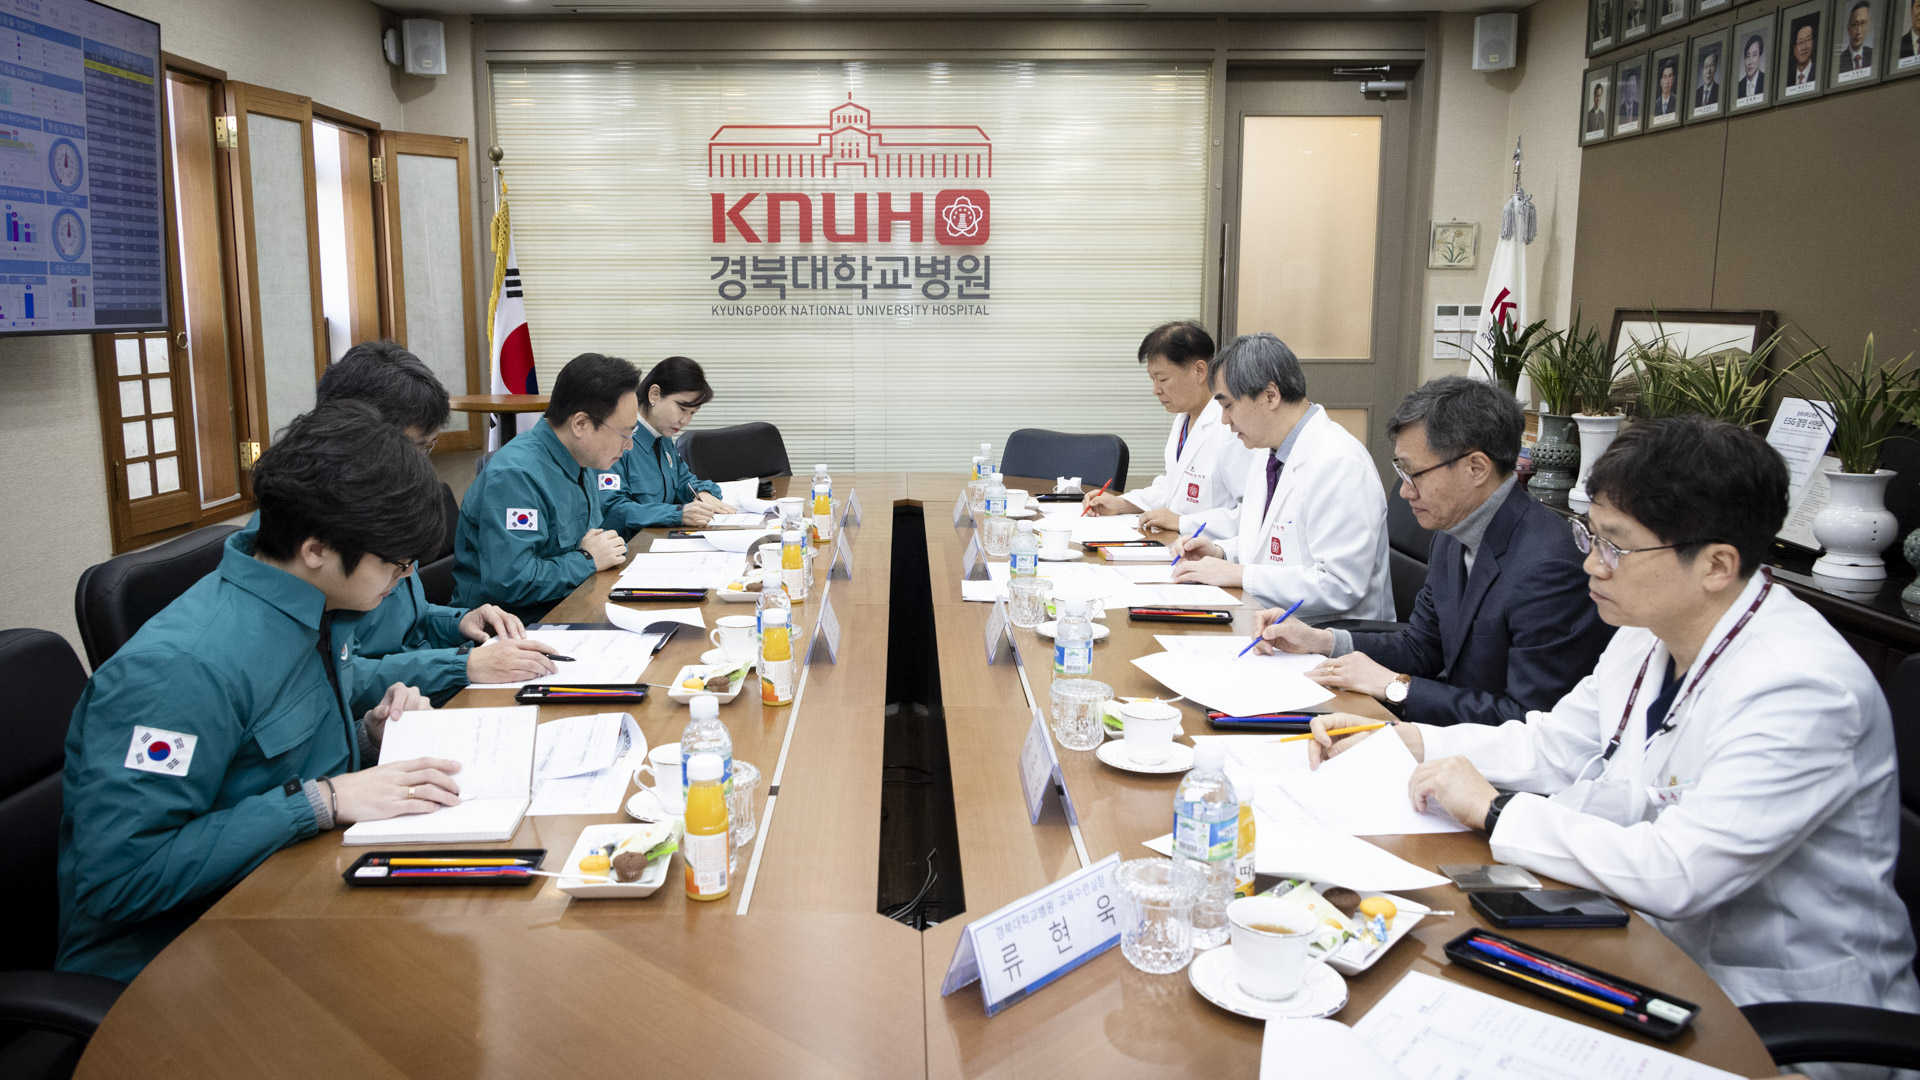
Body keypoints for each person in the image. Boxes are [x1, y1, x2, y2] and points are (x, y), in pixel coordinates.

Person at [1302, 417, 1920, 1026]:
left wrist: (1492, 810)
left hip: (1766, 1006)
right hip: (1634, 940)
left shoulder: (1800, 686)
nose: (1593, 565)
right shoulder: (1649, 630)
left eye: (1616, 545)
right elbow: (1555, 743)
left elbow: (1681, 871)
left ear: (1716, 565)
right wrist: (1406, 741)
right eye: (1591, 536)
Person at [57, 402, 468, 982]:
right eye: (395, 565)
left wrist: (369, 738)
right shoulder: (180, 671)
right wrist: (320, 801)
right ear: (316, 548)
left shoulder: (319, 608)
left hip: (298, 896)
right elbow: (121, 878)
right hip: (172, 965)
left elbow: (265, 762)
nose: (405, 581)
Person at [1250, 376, 1613, 727]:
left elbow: (1529, 720)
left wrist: (1395, 687)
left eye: (1413, 474)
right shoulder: (1454, 530)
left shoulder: (1547, 566)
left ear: (1476, 468)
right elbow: (1422, 644)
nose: (1405, 493)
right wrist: (1321, 641)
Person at [245, 340, 560, 711]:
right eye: (414, 447)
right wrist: (461, 665)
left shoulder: (385, 511)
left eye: (428, 448)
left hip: (420, 694)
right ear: (356, 434)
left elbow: (411, 620)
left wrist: (460, 621)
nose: (420, 466)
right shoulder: (306, 538)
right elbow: (336, 677)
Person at [1169, 332, 1392, 620]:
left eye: (1228, 406)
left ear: (1270, 396)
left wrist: (1241, 574)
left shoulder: (1339, 463)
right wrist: (1220, 552)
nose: (1224, 420)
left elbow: (1340, 586)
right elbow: (1273, 545)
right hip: (1269, 622)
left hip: (1328, 642)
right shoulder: (1270, 452)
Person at [453, 352, 635, 619]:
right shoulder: (516, 476)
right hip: (512, 627)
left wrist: (601, 552)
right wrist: (586, 559)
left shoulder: (581, 460)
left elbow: (593, 543)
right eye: (624, 434)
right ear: (581, 424)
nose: (629, 445)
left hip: (569, 604)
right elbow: (510, 581)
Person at [1086, 321, 1258, 535]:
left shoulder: (1233, 428)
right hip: (1175, 541)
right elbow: (1173, 485)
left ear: (1200, 370)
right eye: (1153, 380)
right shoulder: (1184, 419)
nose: (1155, 390)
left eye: (1163, 379)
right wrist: (1122, 503)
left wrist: (1183, 522)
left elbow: (1252, 514)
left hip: (1211, 551)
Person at [599, 355, 737, 536]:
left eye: (692, 413)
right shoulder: (617, 439)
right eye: (682, 408)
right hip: (628, 550)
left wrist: (702, 493)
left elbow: (683, 481)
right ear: (654, 394)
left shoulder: (662, 437)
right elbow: (612, 510)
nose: (685, 420)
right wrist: (677, 514)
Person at [1840, 0, 1875, 71]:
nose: (1858, 31)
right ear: (1848, 28)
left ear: (1868, 26)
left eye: (1863, 23)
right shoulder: (1839, 61)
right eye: (1854, 25)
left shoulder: (1874, 55)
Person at [1789, 17, 1820, 87]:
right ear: (1794, 49)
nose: (1804, 47)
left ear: (1813, 44)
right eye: (1801, 42)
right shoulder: (1788, 78)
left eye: (1808, 40)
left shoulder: (1819, 72)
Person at [1738, 33, 1768, 97]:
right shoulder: (1738, 87)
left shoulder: (1767, 81)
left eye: (1754, 55)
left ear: (1760, 57)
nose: (1750, 62)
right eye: (1748, 56)